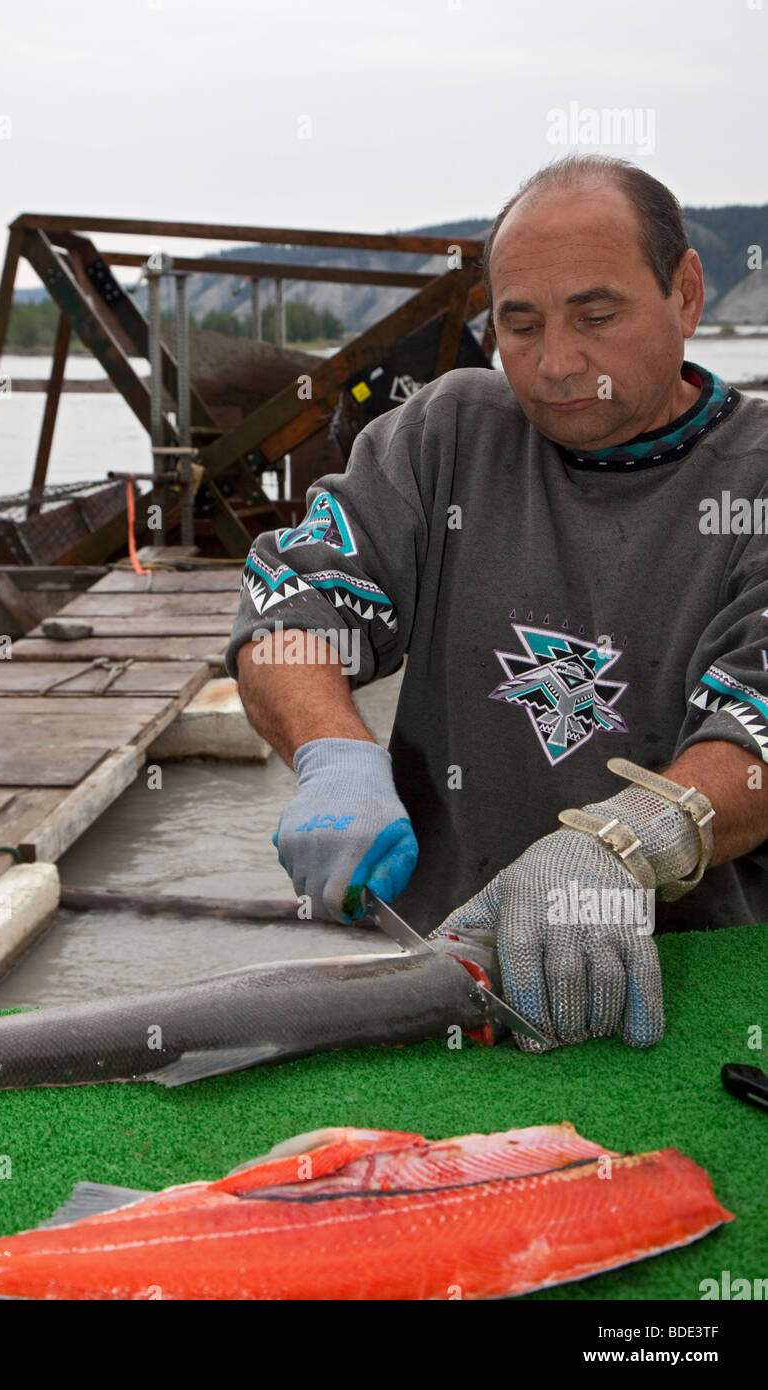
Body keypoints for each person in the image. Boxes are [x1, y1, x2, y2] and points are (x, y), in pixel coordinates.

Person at [224, 154, 768, 1053]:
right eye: (520, 325)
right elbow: (292, 604)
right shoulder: (446, 434)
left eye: (596, 316)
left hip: (688, 996)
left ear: (687, 293)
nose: (556, 363)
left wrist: (622, 846)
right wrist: (331, 750)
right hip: (434, 980)